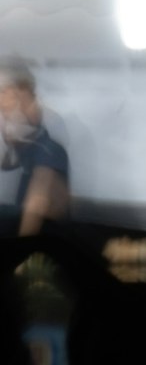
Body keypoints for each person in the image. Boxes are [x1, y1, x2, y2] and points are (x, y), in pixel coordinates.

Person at [0, 72, 71, 247]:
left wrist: (20, 253)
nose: (6, 119)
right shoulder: (24, 150)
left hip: (43, 243)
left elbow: (36, 206)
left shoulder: (48, 150)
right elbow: (7, 163)